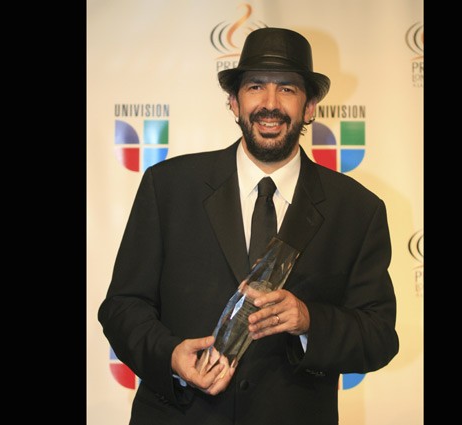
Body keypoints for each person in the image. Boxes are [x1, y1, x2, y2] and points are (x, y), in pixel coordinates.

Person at [98, 27, 399, 425]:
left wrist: (309, 320)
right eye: (255, 86)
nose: (270, 104)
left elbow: (379, 337)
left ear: (310, 107)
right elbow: (122, 307)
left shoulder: (357, 210)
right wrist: (170, 356)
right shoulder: (168, 187)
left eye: (287, 89)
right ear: (234, 102)